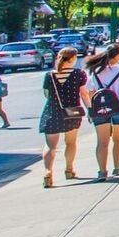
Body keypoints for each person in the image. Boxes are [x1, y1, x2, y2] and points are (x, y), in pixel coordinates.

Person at [82, 43, 119, 181]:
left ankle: (102, 171)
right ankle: (117, 166)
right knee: (118, 139)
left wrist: (91, 110)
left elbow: (91, 93)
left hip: (100, 110)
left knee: (102, 142)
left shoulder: (95, 71)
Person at [39, 47, 85, 188]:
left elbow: (46, 94)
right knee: (70, 142)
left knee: (50, 146)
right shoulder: (79, 74)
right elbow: (84, 94)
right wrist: (90, 109)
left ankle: (48, 172)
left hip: (52, 112)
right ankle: (69, 169)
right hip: (72, 113)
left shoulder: (49, 75)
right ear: (72, 59)